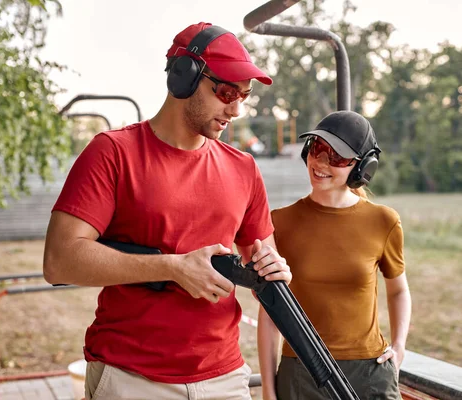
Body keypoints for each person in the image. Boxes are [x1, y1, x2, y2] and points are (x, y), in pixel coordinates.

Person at [43, 22, 292, 400]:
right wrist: (173, 268)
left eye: (244, 94)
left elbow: (264, 261)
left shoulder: (244, 168)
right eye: (226, 91)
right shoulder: (112, 153)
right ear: (183, 76)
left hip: (225, 378)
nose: (237, 109)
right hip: (132, 378)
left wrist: (273, 271)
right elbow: (59, 260)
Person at [258, 111, 412, 400]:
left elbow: (399, 291)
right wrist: (268, 388)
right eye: (317, 149)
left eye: (338, 158)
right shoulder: (279, 222)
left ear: (362, 168)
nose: (321, 163)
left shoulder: (384, 221)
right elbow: (270, 312)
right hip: (300, 370)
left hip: (369, 372)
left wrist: (400, 345)